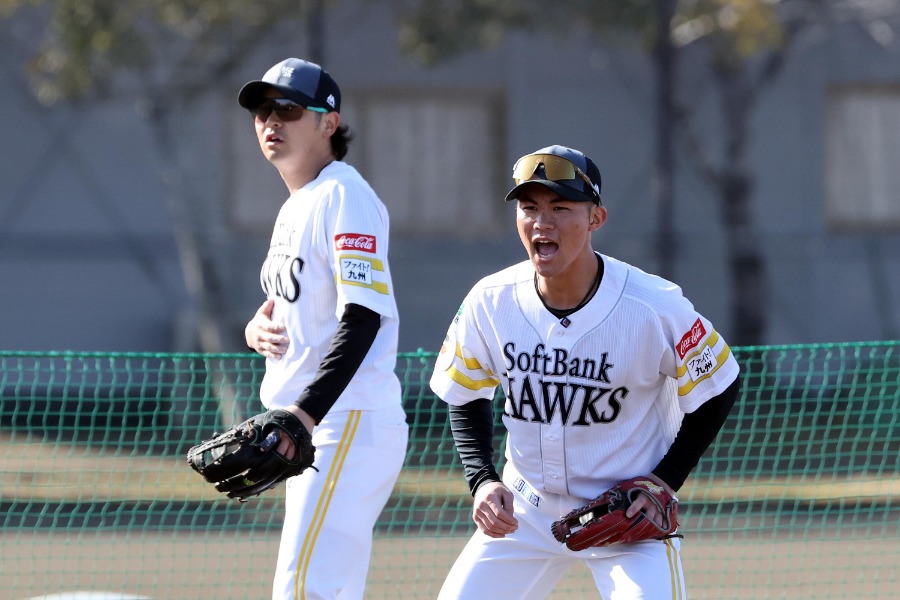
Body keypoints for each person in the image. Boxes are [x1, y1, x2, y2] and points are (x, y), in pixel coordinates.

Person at [430, 145, 741, 599]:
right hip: (525, 512)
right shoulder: (490, 300)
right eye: (529, 207)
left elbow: (720, 383)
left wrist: (664, 481)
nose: (542, 222)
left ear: (596, 218)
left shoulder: (653, 306)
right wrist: (482, 480)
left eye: (560, 207)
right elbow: (465, 390)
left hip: (626, 518)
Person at [238, 57, 409, 600]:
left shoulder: (343, 195)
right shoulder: (299, 204)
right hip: (320, 428)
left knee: (304, 589)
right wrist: (256, 328)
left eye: (288, 109)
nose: (272, 120)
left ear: (328, 123)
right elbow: (302, 301)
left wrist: (302, 416)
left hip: (344, 420)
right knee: (317, 588)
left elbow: (363, 317)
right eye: (262, 110)